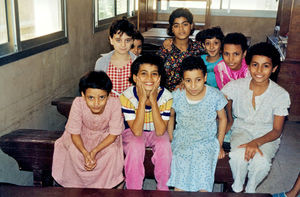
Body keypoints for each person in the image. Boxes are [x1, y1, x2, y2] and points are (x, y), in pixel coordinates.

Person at [221, 42, 291, 193]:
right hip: (241, 130)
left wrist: (256, 142)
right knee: (238, 156)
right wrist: (229, 119)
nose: (259, 70)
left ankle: (251, 189)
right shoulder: (236, 86)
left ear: (274, 68)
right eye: (255, 65)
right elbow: (216, 98)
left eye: (265, 66)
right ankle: (237, 187)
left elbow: (277, 130)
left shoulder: (281, 95)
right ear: (248, 65)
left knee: (261, 162)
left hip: (267, 134)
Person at [52, 71, 125, 188]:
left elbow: (113, 134)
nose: (96, 103)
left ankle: (108, 185)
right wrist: (85, 153)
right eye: (91, 97)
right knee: (73, 151)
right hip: (80, 135)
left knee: (111, 152)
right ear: (83, 95)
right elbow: (74, 133)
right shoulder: (78, 103)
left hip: (105, 138)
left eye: (102, 97)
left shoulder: (115, 103)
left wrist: (94, 151)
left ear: (108, 95)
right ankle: (74, 186)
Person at [167, 56, 227, 192]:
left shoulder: (215, 95)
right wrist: (170, 137)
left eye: (198, 80)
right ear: (182, 80)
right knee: (180, 177)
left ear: (205, 77)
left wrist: (219, 143)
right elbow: (171, 115)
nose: (193, 86)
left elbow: (223, 119)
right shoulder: (177, 95)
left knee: (203, 174)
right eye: (188, 80)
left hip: (206, 141)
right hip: (183, 139)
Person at [119, 54, 173, 190]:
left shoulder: (166, 96)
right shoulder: (126, 96)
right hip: (132, 131)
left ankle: (163, 187)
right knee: (135, 146)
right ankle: (134, 189)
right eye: (144, 74)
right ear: (135, 77)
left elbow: (161, 131)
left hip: (156, 130)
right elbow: (136, 131)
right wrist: (142, 100)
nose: (149, 79)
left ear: (159, 78)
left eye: (154, 74)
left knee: (164, 145)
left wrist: (153, 100)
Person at [157, 8, 204, 91]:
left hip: (195, 92)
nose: (181, 29)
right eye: (176, 25)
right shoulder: (165, 50)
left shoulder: (199, 48)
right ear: (172, 28)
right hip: (168, 96)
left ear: (191, 25)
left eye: (185, 24)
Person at [95, 17, 136, 97]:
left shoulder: (138, 62)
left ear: (132, 41)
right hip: (108, 107)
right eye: (118, 40)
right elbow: (97, 90)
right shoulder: (101, 62)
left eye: (127, 40)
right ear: (111, 40)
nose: (123, 45)